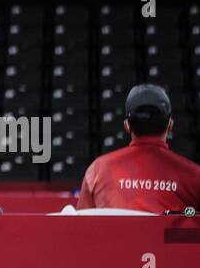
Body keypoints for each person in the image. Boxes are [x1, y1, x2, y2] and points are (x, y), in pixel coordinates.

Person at [77, 84, 200, 212]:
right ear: (170, 125)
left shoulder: (98, 170)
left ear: (127, 126)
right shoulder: (195, 176)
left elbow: (81, 228)